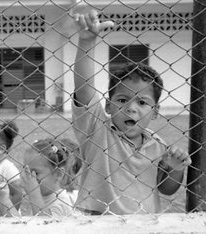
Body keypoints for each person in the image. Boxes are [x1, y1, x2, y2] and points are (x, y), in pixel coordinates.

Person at [72, 10, 192, 215]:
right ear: (108, 106)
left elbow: (166, 189)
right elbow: (84, 88)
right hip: (96, 221)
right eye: (121, 100)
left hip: (143, 223)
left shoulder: (158, 146)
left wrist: (176, 168)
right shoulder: (97, 130)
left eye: (143, 102)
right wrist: (86, 43)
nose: (131, 108)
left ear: (155, 112)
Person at [20, 139, 80, 216]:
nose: (29, 176)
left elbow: (45, 225)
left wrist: (34, 194)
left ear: (58, 174)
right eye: (26, 170)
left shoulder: (61, 203)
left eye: (36, 173)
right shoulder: (44, 196)